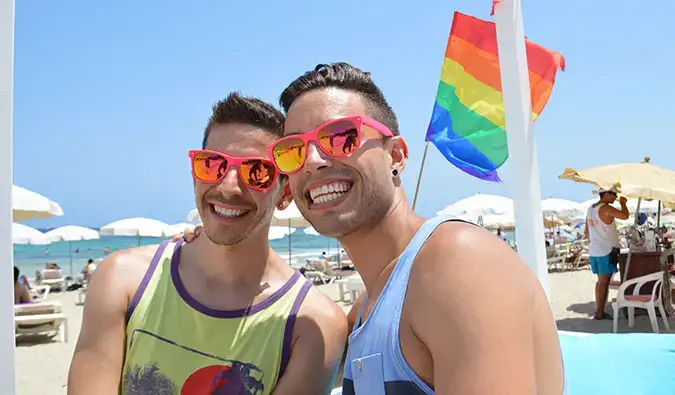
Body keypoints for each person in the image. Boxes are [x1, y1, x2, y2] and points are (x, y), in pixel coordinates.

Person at [181, 63, 565, 393]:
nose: (312, 161)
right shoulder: (369, 304)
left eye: (340, 137)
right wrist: (206, 249)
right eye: (293, 149)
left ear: (396, 155)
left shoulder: (459, 262)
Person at [68, 93, 347, 395]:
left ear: (284, 194)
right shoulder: (123, 280)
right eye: (212, 164)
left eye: (257, 171)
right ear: (194, 174)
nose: (227, 187)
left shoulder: (311, 325)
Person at [585, 186, 628, 320]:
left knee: (600, 282)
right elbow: (625, 216)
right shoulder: (606, 208)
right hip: (606, 250)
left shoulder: (591, 209)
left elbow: (587, 231)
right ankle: (600, 313)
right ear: (606, 194)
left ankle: (599, 310)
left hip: (595, 250)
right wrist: (623, 204)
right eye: (614, 195)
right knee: (604, 282)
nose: (615, 197)